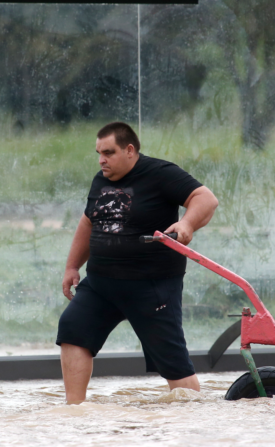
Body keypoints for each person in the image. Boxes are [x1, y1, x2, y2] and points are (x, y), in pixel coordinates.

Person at [56, 121, 219, 404]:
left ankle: (192, 417)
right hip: (101, 284)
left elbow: (206, 199)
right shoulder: (100, 180)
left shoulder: (160, 173)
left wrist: (186, 224)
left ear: (129, 150)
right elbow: (88, 221)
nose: (101, 160)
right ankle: (74, 410)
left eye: (108, 152)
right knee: (72, 330)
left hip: (151, 287)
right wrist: (72, 267)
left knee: (173, 364)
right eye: (99, 153)